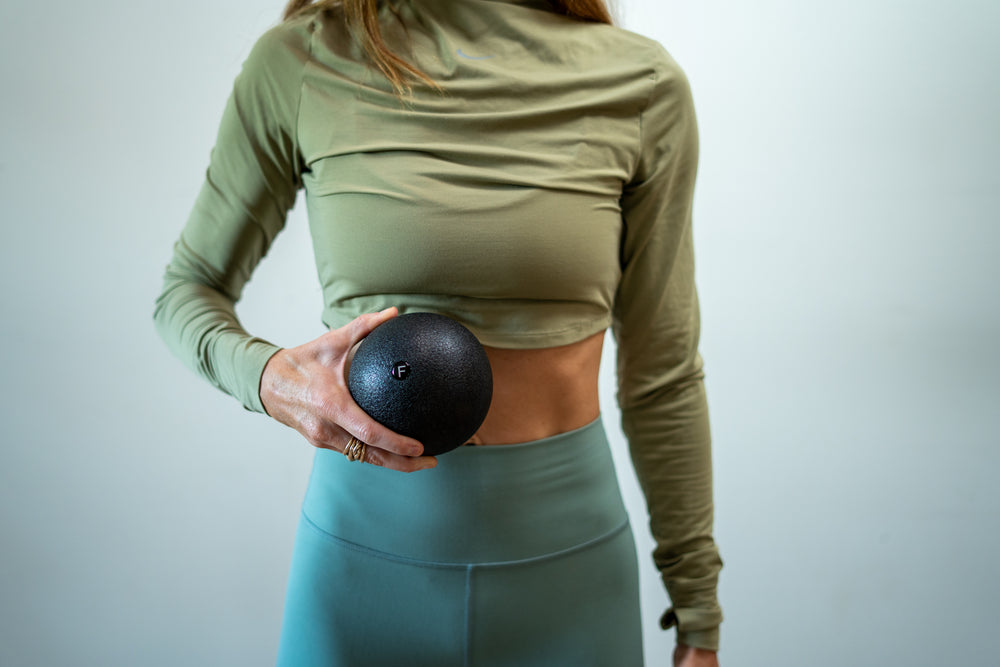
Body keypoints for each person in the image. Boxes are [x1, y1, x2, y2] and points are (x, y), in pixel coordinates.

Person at [153, 0, 723, 665]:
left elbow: (664, 370)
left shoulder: (642, 87)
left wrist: (697, 609)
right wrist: (273, 379)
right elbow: (187, 291)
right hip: (362, 564)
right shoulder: (303, 60)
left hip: (567, 569)